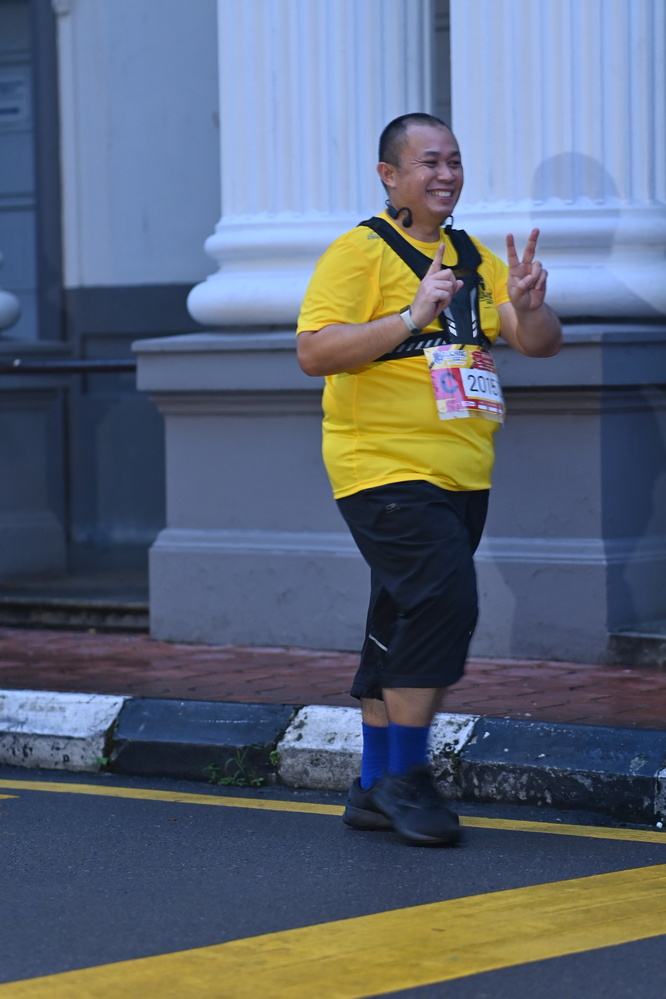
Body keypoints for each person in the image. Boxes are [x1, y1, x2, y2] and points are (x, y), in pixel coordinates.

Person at [296, 113, 562, 846]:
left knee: (400, 618)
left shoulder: (475, 257)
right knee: (445, 601)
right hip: (381, 467)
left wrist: (531, 307)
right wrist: (409, 316)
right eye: (429, 162)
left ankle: (371, 784)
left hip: (463, 470)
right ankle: (409, 776)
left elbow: (538, 342)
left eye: (455, 162)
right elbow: (314, 352)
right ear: (390, 175)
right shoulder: (360, 252)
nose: (446, 175)